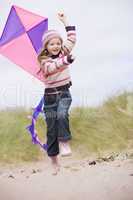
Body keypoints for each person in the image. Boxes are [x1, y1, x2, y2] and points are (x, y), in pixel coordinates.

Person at [37, 12, 76, 174]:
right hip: (50, 97)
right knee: (51, 129)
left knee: (62, 115)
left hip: (64, 92)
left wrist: (65, 20)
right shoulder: (44, 61)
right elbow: (52, 68)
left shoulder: (63, 52)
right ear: (46, 46)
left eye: (58, 43)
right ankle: (54, 160)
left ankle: (65, 142)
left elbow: (72, 38)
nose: (56, 46)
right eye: (52, 44)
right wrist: (65, 61)